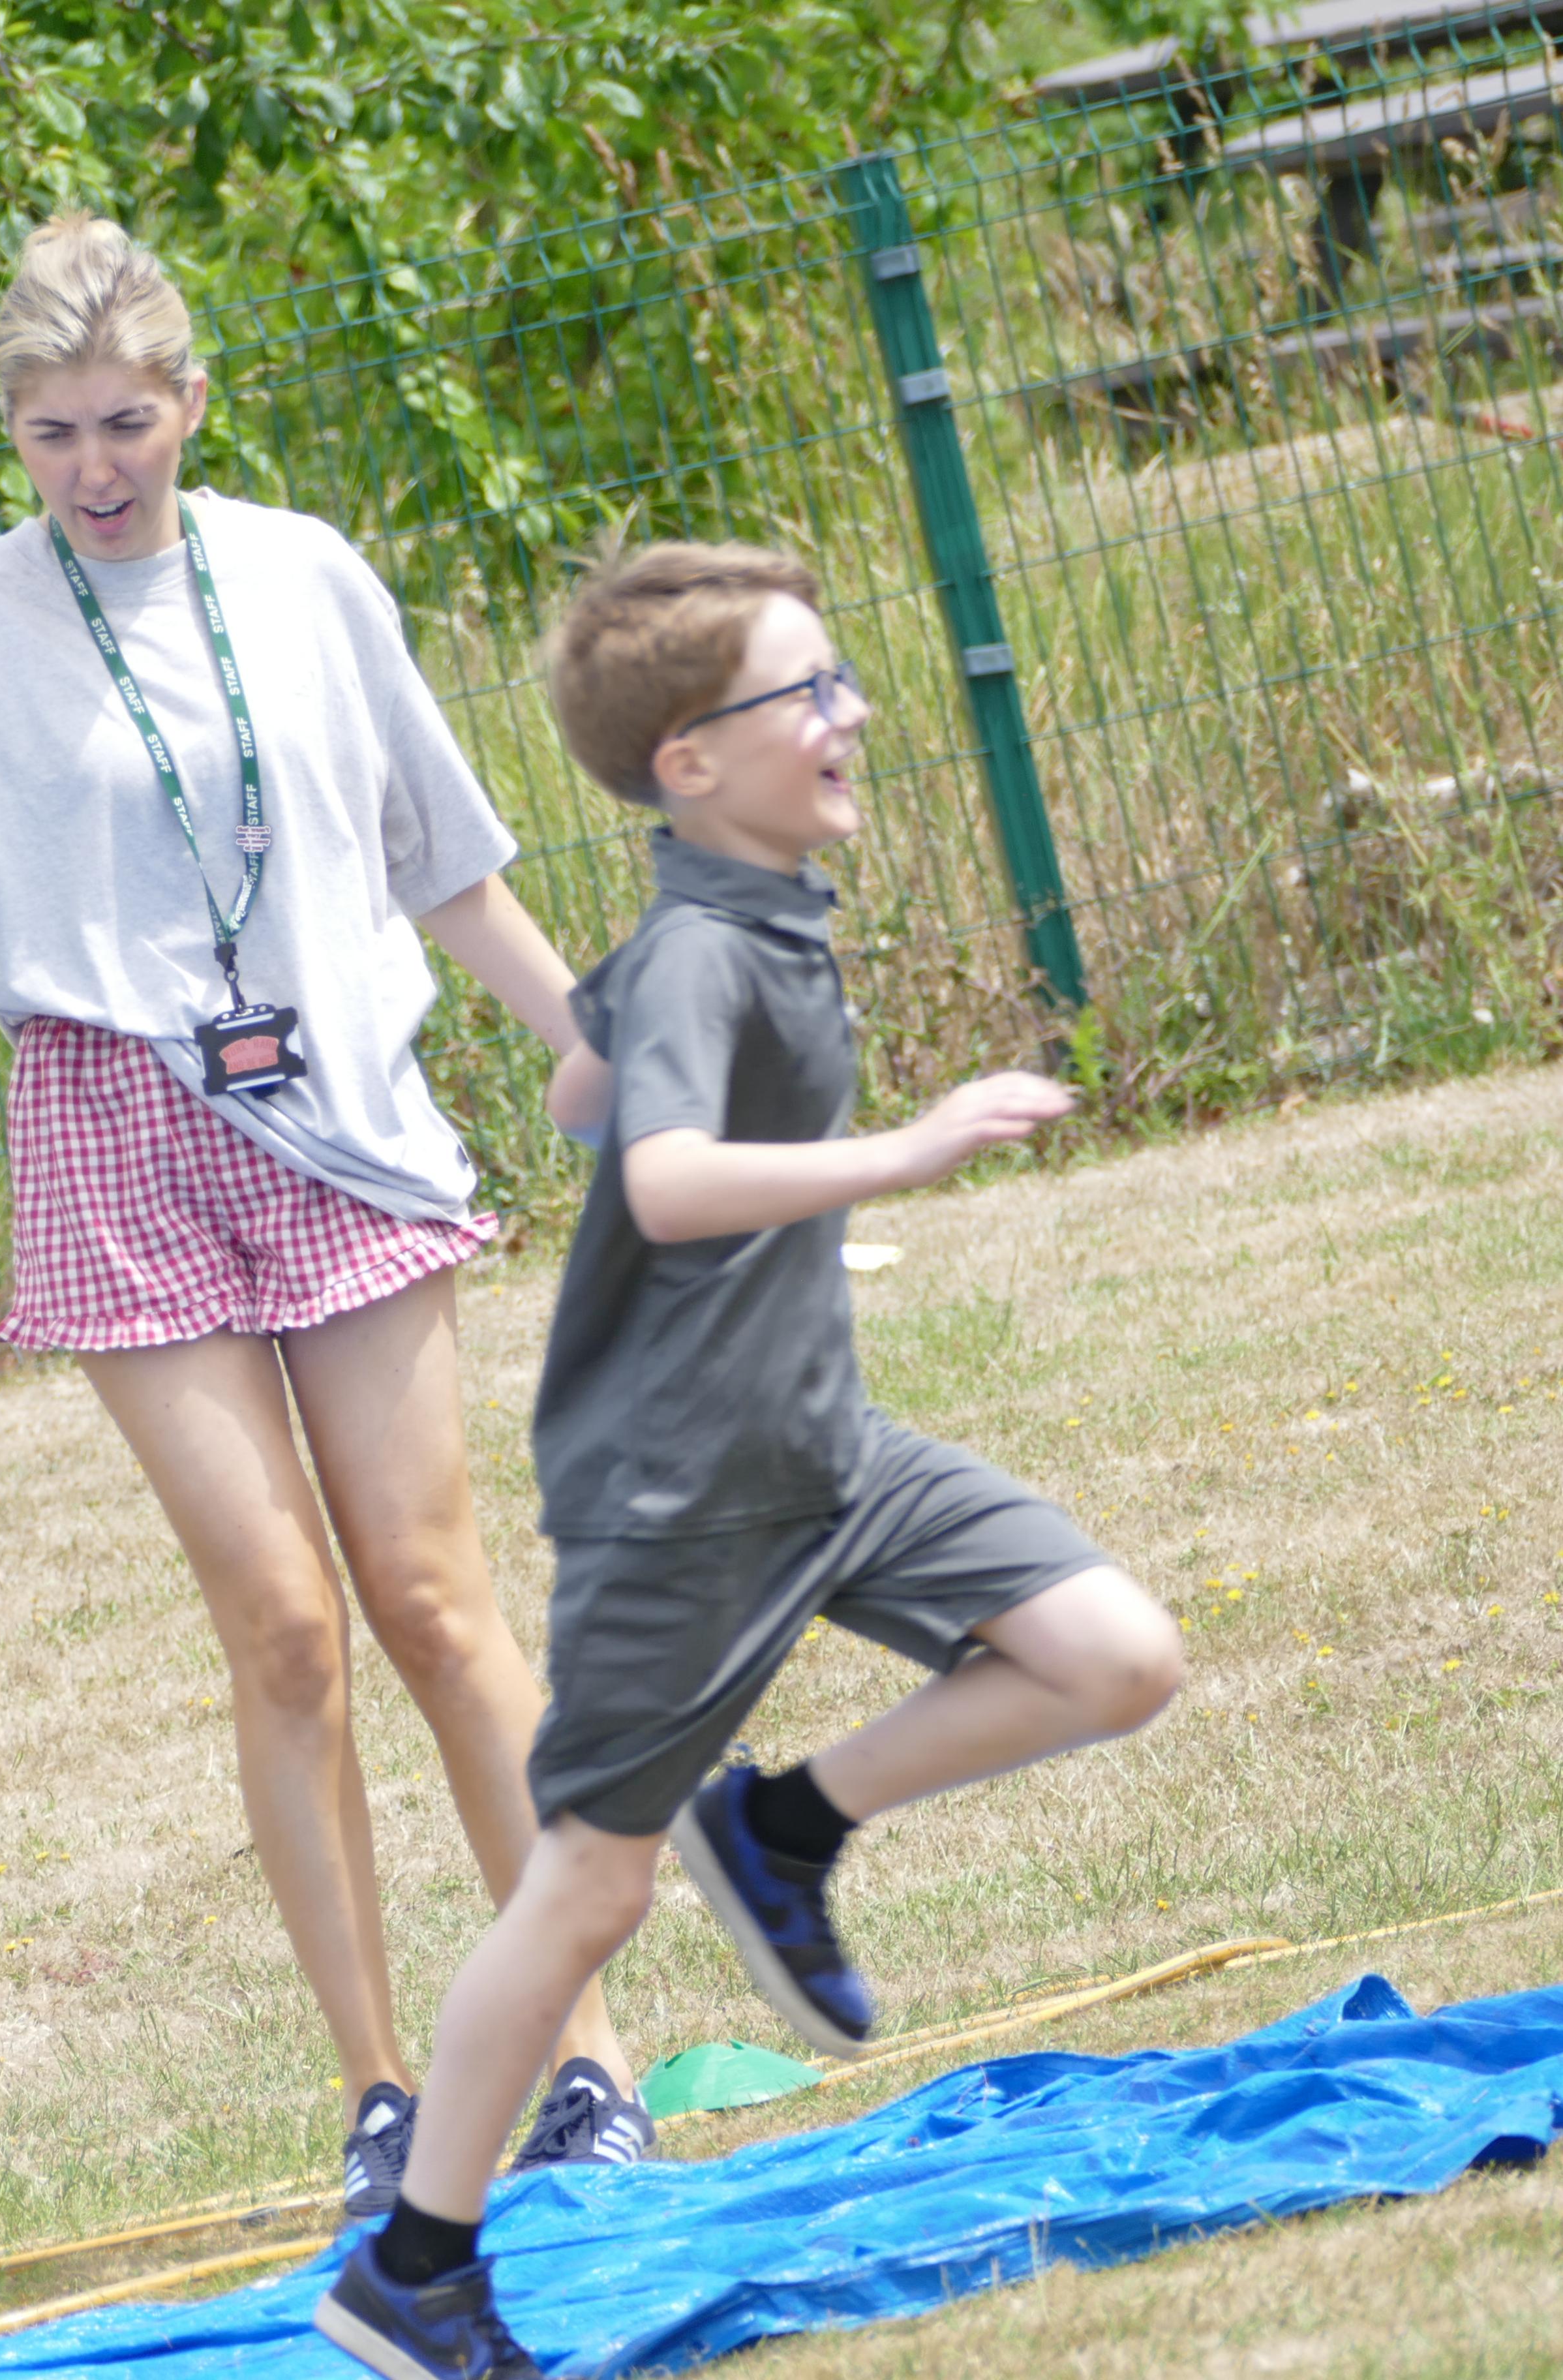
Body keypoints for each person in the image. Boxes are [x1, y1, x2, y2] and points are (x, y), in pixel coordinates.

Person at [0, 213, 644, 2214]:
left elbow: (440, 861)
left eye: (125, 423)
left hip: (336, 1111)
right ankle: (382, 2094)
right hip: (113, 1135)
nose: (94, 468)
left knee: (433, 1601)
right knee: (288, 1631)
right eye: (52, 432)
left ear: (192, 401)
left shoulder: (305, 578)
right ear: (12, 431)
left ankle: (584, 2060)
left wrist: (602, 1041)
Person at [314, 541, 1187, 2380]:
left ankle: (784, 1827)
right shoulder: (713, 944)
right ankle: (416, 2269)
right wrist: (908, 1148)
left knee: (1114, 1656)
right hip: (685, 1497)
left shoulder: (728, 919)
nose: (848, 713)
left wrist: (620, 1043)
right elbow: (661, 1177)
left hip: (823, 1447)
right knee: (587, 1891)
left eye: (838, 677)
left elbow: (583, 1085)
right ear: (691, 762)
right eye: (810, 693)